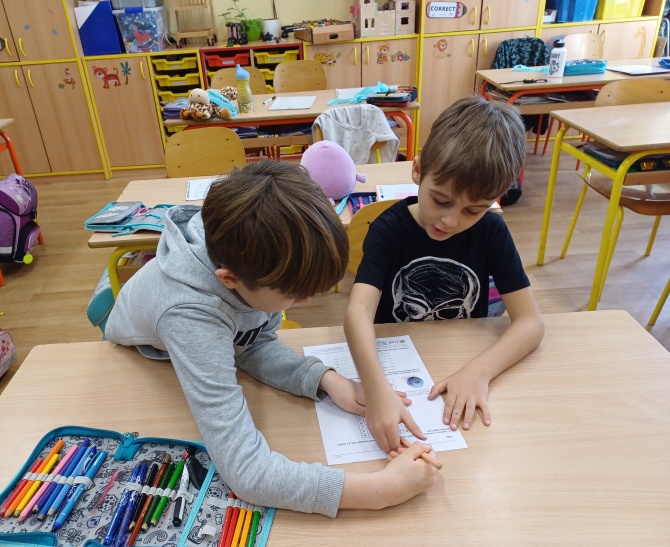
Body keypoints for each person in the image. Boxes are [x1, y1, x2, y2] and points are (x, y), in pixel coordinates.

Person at [105, 160, 438, 517]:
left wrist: (326, 380)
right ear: (230, 279)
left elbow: (251, 342)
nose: (304, 303)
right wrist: (379, 490)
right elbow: (247, 473)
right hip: (134, 360)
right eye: (294, 296)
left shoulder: (249, 259)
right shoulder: (192, 316)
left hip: (189, 334)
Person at [344, 96, 545, 454]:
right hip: (398, 369)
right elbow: (358, 311)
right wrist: (375, 389)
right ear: (417, 170)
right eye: (441, 200)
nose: (450, 220)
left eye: (473, 210)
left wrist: (480, 371)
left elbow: (531, 323)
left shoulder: (492, 232)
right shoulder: (387, 230)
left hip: (461, 365)